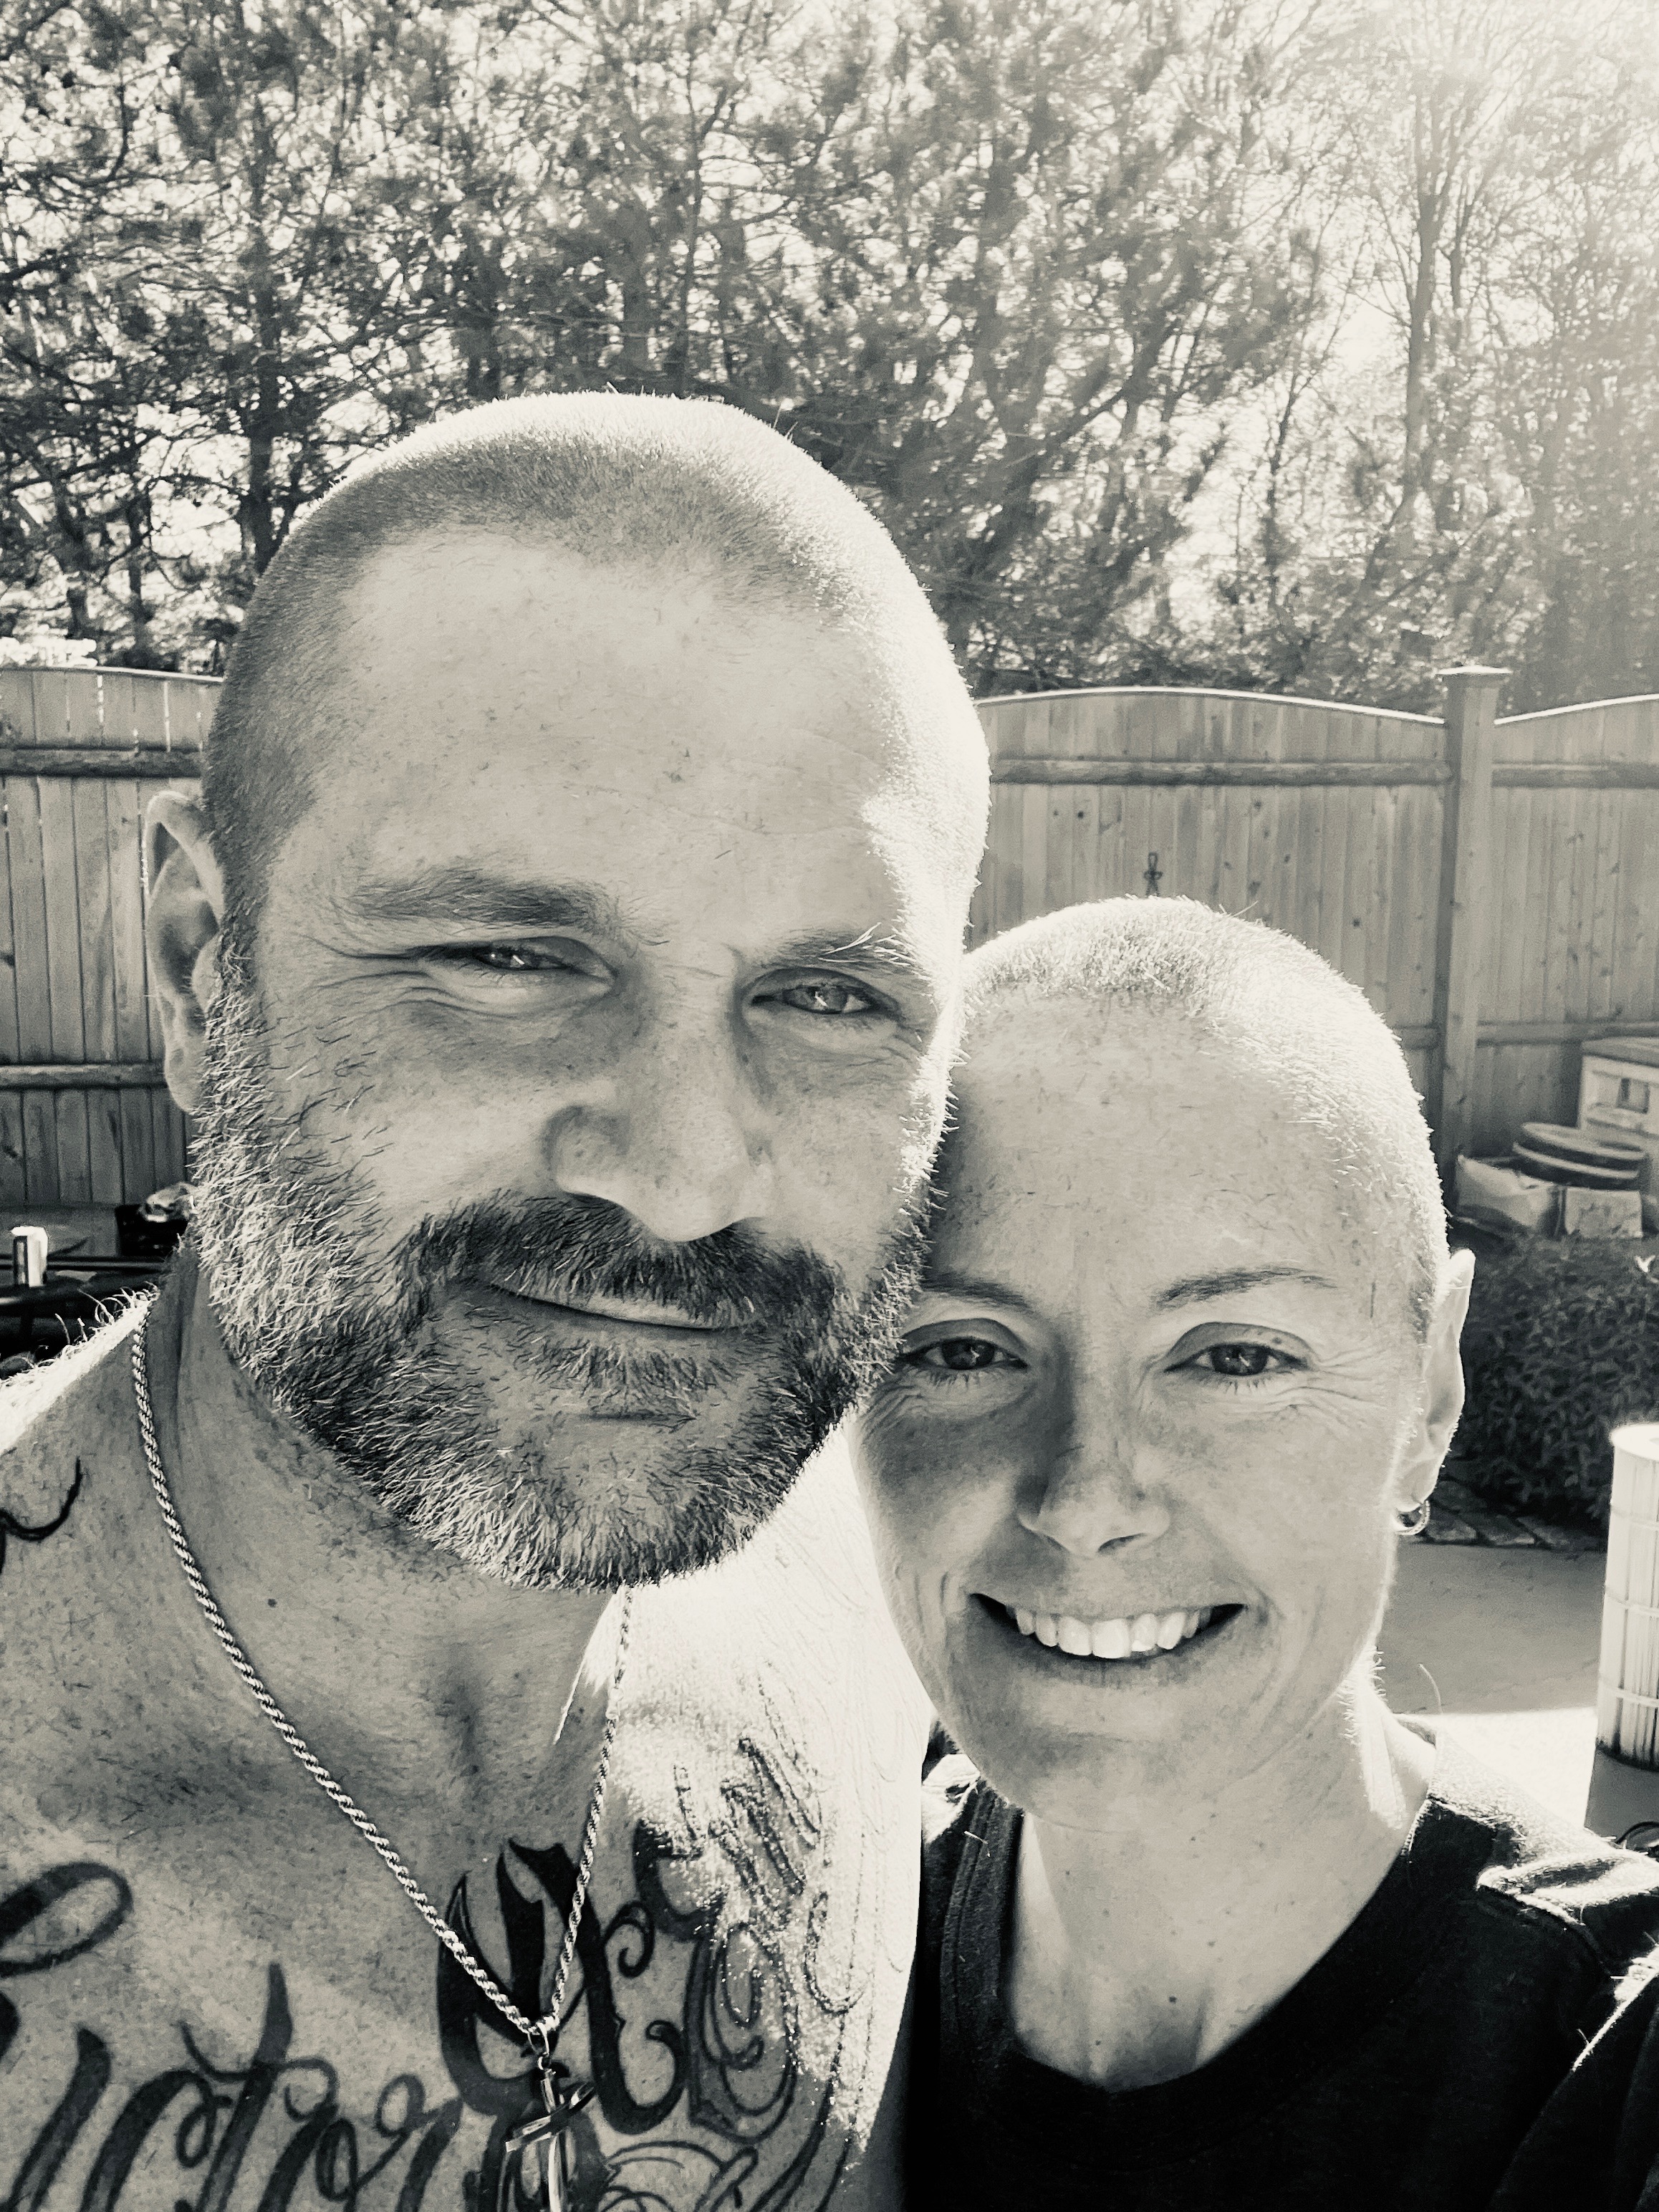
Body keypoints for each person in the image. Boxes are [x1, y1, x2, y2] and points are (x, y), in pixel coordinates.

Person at [0, 395, 989, 2212]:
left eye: (831, 997)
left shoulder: (864, 1601)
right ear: (200, 966)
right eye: (512, 957)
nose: (684, 1177)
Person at [852, 895, 1659, 2211]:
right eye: (962, 1350)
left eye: (1233, 1358)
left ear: (1429, 1394)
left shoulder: (1614, 2075)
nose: (1086, 1498)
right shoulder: (809, 1960)